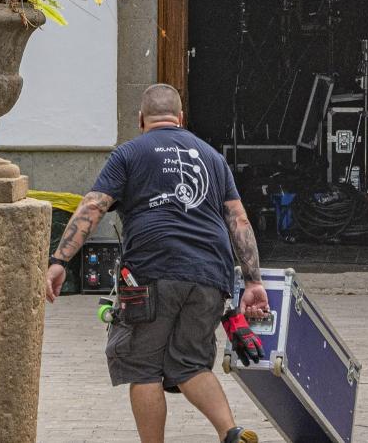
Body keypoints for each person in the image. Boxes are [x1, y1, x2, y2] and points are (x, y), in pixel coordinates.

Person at [44, 83, 268, 443]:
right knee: (190, 365)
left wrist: (59, 260)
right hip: (210, 275)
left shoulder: (129, 153)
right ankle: (231, 432)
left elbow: (92, 207)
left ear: (140, 120)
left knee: (143, 367)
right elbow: (238, 221)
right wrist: (254, 282)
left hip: (151, 272)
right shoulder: (211, 156)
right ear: (180, 118)